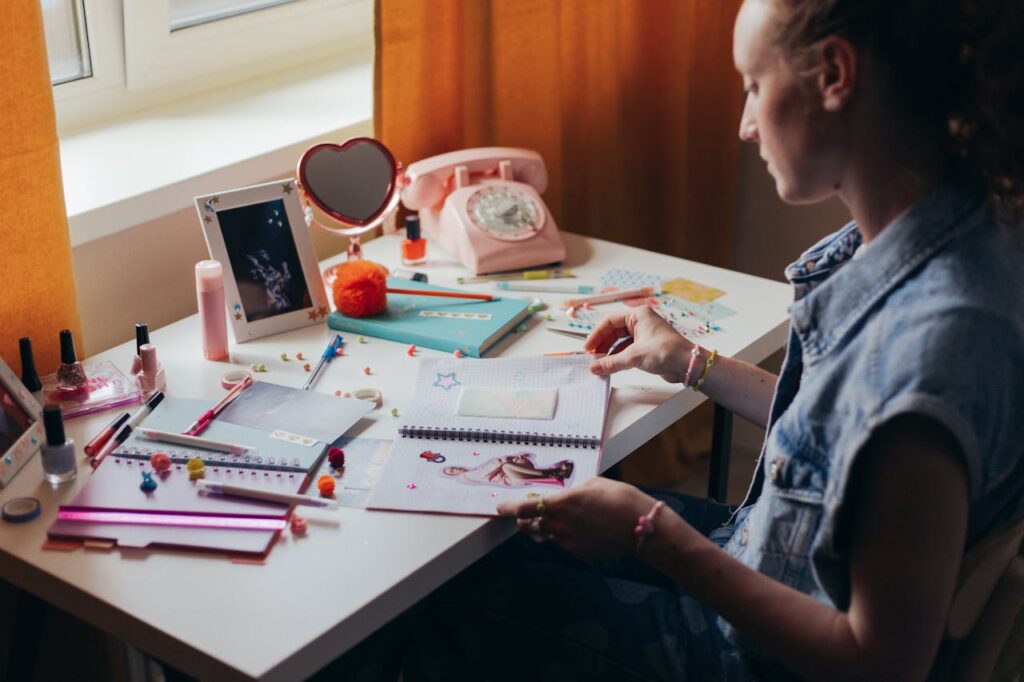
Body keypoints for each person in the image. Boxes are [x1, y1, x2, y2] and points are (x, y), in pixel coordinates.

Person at [326, 0, 1024, 679]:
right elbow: (841, 437)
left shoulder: (932, 349)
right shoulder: (958, 236)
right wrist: (692, 363)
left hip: (750, 652)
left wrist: (651, 534)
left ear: (835, 76)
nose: (746, 125)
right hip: (759, 558)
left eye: (754, 86)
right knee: (489, 549)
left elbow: (879, 662)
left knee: (439, 604)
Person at [441, 453, 575, 488]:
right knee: (506, 466)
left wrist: (517, 458)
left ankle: (553, 473)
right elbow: (491, 466)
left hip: (518, 474)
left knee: (516, 462)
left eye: (452, 467)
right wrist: (505, 459)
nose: (455, 469)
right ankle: (551, 472)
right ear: (454, 475)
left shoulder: (472, 472)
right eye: (452, 471)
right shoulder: (468, 475)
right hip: (513, 479)